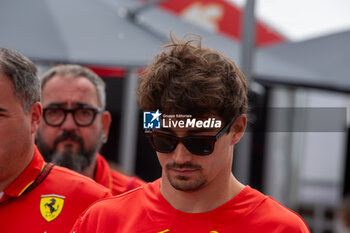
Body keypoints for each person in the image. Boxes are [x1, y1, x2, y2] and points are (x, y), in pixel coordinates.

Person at [71, 35, 310, 232]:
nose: (180, 157)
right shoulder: (104, 222)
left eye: (199, 143)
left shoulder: (279, 228)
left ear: (237, 129)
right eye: (164, 141)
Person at [0, 47, 112, 232]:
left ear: (35, 116)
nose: (68, 126)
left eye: (0, 114)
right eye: (57, 112)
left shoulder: (91, 203)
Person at [36, 64, 144, 195]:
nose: (69, 125)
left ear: (104, 125)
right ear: (35, 121)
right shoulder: (7, 192)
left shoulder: (136, 199)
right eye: (54, 112)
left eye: (83, 113)